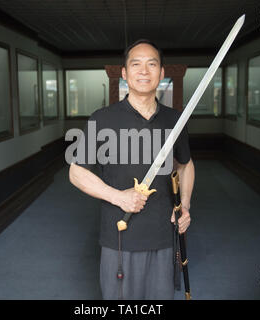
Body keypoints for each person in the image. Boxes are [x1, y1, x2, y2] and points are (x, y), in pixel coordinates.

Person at [69, 39, 195, 300]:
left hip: (163, 234)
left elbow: (185, 165)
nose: (144, 71)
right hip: (120, 236)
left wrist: (185, 204)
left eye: (152, 64)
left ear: (161, 73)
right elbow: (76, 173)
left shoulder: (175, 119)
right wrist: (118, 196)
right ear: (124, 74)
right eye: (136, 64)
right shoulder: (102, 118)